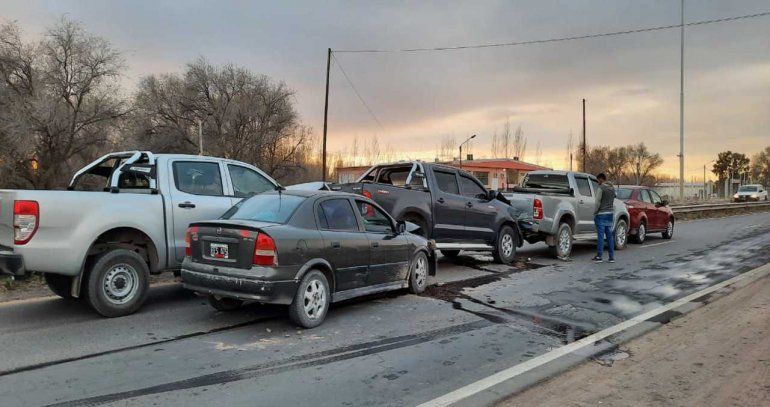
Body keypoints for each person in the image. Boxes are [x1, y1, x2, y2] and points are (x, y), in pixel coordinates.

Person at [592, 173, 616, 263]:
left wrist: (595, 212)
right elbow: (614, 197)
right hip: (610, 214)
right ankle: (611, 257)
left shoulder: (601, 188)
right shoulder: (612, 188)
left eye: (598, 180)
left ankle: (599, 256)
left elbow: (597, 202)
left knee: (601, 237)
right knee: (609, 237)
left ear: (601, 179)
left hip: (601, 214)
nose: (597, 182)